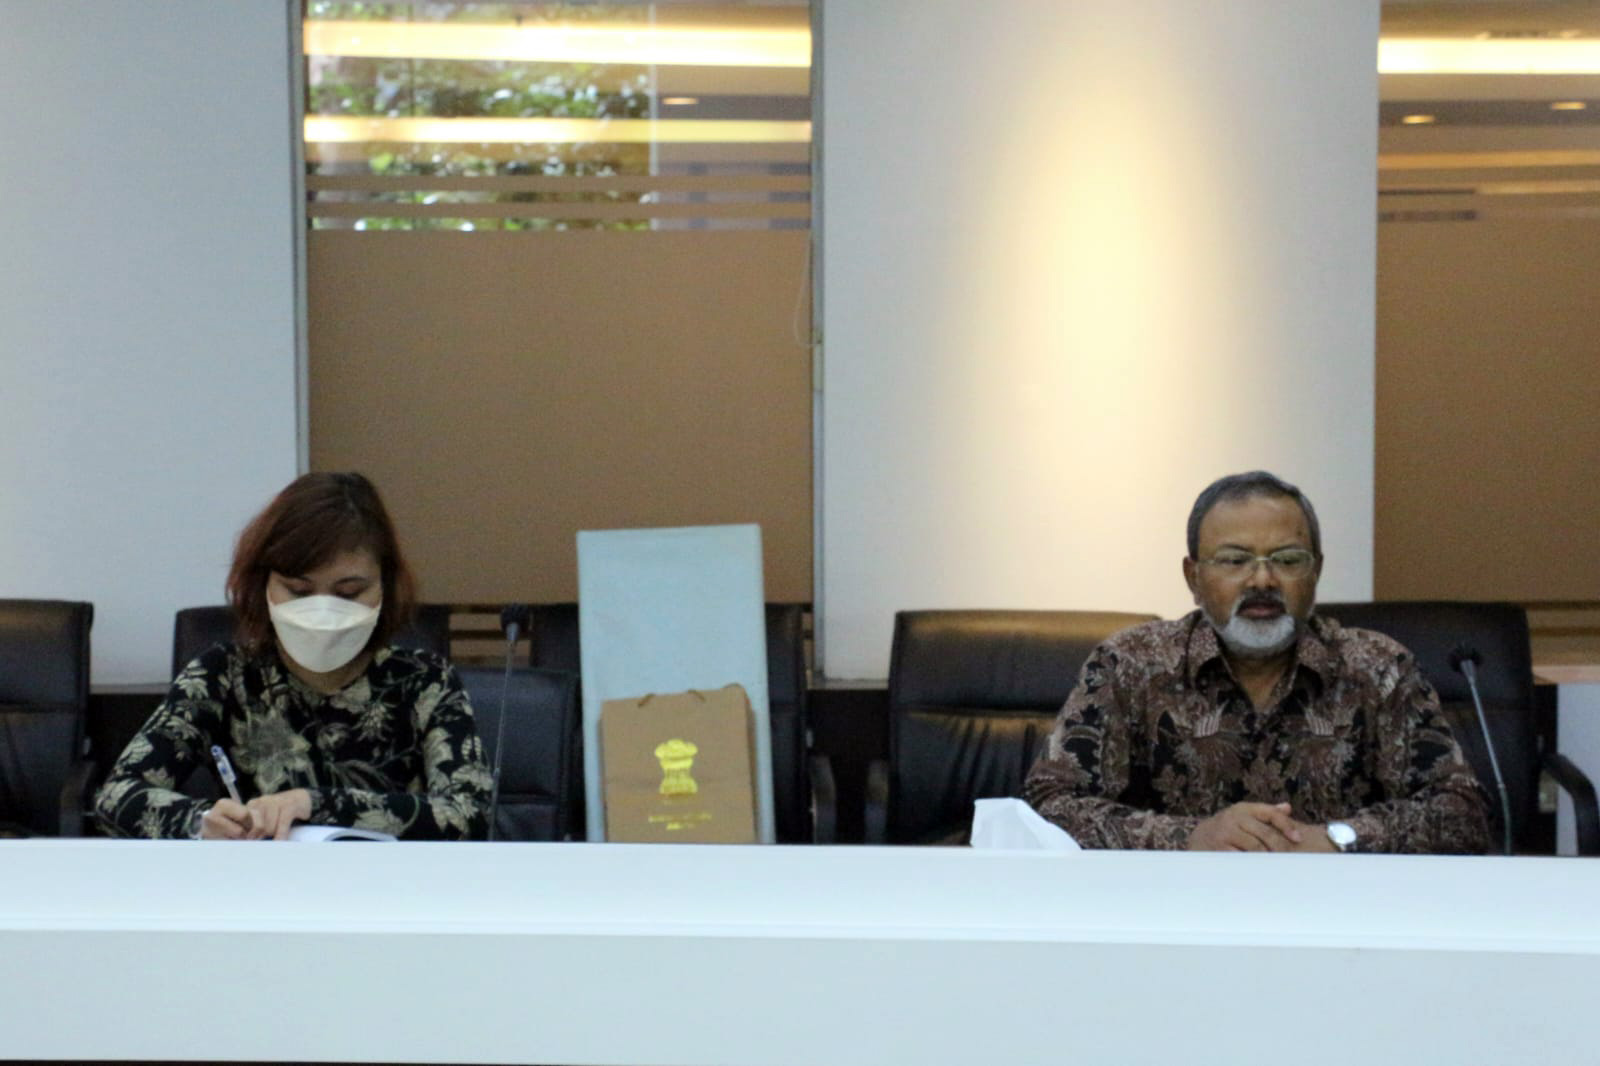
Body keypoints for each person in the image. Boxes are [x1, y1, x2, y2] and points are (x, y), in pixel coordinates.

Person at [1023, 470, 1490, 853]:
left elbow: (1462, 811)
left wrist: (1338, 839)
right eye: (1234, 560)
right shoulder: (1129, 664)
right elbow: (1047, 806)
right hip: (1172, 910)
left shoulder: (1378, 667)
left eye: (1287, 560)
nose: (1262, 581)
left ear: (1316, 571)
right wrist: (1190, 838)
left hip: (1339, 912)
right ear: (1193, 577)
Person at [94, 472, 492, 841]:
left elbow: (470, 814)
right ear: (263, 585)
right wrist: (201, 822)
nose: (323, 611)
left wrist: (313, 805)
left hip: (394, 888)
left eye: (349, 593)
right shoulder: (223, 675)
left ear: (385, 587)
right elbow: (116, 797)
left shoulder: (425, 680)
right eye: (299, 592)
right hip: (262, 886)